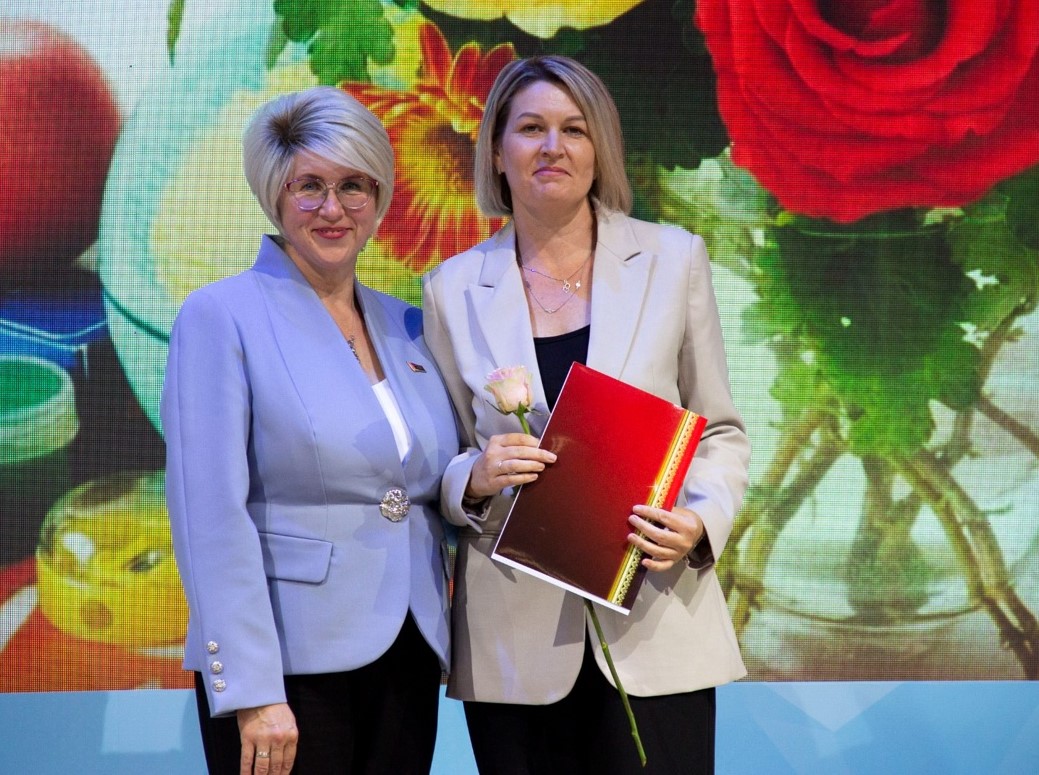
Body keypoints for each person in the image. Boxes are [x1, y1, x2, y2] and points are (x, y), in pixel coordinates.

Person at [421, 56, 751, 774]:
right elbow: (439, 455)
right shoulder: (450, 288)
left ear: (599, 148)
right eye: (530, 128)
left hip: (655, 620)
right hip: (515, 637)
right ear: (496, 151)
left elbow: (720, 428)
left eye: (574, 129)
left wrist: (699, 522)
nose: (553, 147)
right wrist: (472, 478)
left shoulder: (672, 260)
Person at [161, 86, 459, 774]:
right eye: (310, 186)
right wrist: (252, 690)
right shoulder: (220, 316)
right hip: (286, 670)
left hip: (408, 654)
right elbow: (209, 516)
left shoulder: (408, 324)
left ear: (379, 197)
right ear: (275, 194)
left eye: (354, 185)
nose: (333, 208)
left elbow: (429, 481)